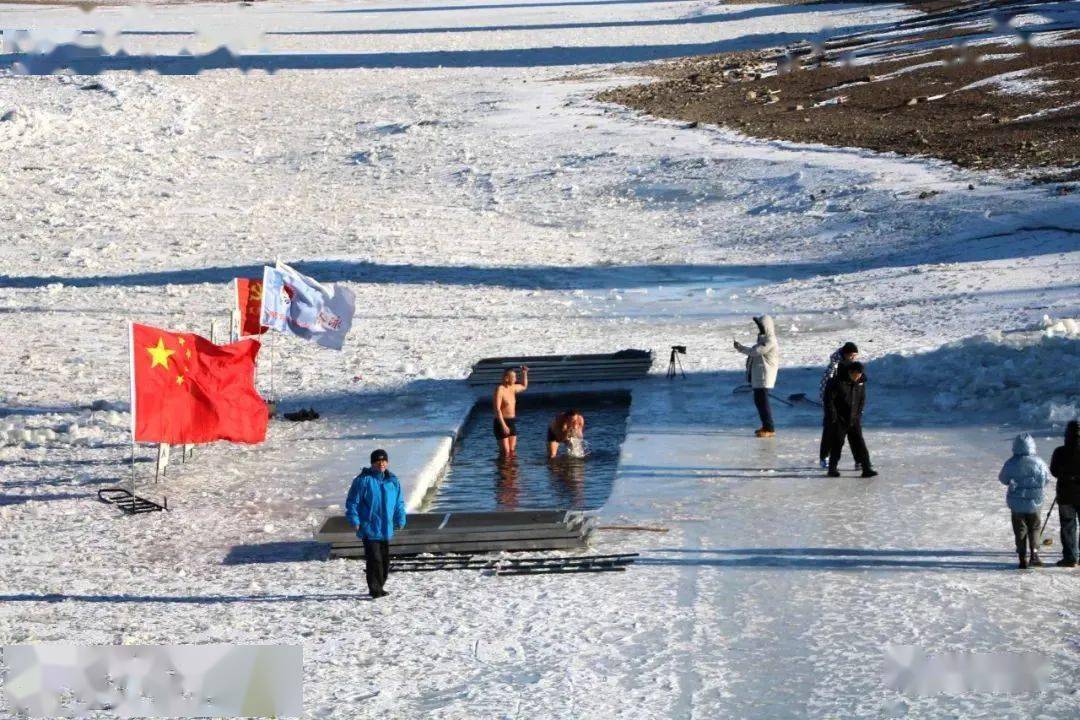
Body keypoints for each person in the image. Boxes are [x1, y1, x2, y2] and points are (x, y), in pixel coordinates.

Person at [344, 449, 407, 598]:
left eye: (384, 461)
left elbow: (398, 502)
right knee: (375, 559)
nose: (381, 464)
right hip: (369, 527)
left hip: (386, 528)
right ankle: (375, 590)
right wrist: (354, 520)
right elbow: (352, 502)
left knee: (384, 561)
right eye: (378, 461)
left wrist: (400, 518)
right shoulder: (363, 480)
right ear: (372, 463)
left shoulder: (392, 481)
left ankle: (380, 586)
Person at [999, 433, 1051, 569]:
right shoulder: (1039, 462)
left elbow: (1003, 479)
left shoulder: (1011, 463)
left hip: (1017, 504)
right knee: (1035, 527)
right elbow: (1047, 479)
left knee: (1020, 529)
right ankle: (1034, 554)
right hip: (1035, 502)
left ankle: (1022, 557)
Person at [823, 361, 877, 478]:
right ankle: (832, 469)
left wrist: (858, 414)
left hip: (854, 418)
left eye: (860, 374)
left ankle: (866, 468)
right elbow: (829, 400)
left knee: (860, 443)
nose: (858, 377)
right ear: (850, 372)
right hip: (840, 419)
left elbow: (862, 399)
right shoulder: (838, 382)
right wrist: (833, 416)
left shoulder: (860, 383)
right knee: (837, 443)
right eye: (856, 374)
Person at [734, 315, 780, 438]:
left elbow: (755, 352)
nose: (760, 329)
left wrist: (740, 348)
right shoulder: (763, 340)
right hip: (760, 376)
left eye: (761, 327)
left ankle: (769, 428)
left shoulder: (769, 341)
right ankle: (766, 426)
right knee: (759, 402)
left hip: (764, 377)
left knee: (763, 402)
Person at [819, 342, 859, 469]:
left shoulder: (853, 366)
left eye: (855, 355)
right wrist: (827, 406)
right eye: (852, 355)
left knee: (854, 434)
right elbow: (825, 386)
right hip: (834, 406)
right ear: (845, 354)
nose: (854, 358)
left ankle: (859, 460)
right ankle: (825, 456)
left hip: (849, 405)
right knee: (830, 431)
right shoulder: (834, 366)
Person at [1050, 420, 1080, 568]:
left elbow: (1054, 471)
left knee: (1068, 526)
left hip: (1065, 494)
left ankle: (1070, 558)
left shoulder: (1060, 451)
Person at [493, 366, 528, 456]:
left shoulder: (513, 387)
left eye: (516, 377)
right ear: (507, 378)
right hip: (501, 422)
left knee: (512, 450)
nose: (516, 379)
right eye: (514, 377)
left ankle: (512, 466)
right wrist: (503, 425)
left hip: (512, 421)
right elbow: (497, 409)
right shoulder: (500, 389)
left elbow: (524, 386)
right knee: (506, 452)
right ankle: (501, 465)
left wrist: (524, 373)